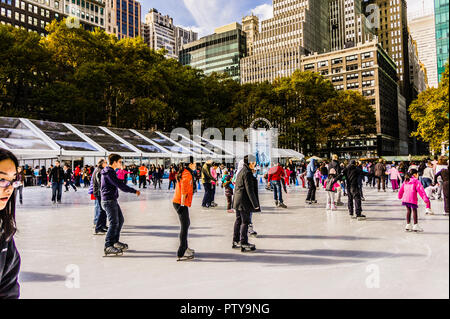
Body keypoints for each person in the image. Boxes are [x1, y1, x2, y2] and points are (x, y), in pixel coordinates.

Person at [101, 154, 140, 256]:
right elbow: (120, 185)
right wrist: (133, 191)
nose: (121, 163)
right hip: (108, 201)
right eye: (120, 162)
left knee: (120, 220)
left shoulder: (110, 171)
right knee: (114, 222)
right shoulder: (109, 172)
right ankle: (108, 245)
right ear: (114, 162)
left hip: (112, 200)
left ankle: (114, 241)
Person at [0, 149, 21, 299]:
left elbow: (8, 286)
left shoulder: (4, 232)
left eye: (13, 180)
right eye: (2, 180)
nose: (9, 188)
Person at [232, 155, 260, 252]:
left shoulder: (242, 171)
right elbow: (249, 190)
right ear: (250, 163)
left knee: (239, 220)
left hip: (238, 200)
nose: (255, 164)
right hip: (244, 201)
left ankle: (236, 240)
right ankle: (244, 242)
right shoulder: (247, 172)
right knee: (245, 221)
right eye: (254, 162)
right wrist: (255, 204)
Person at [172, 158, 197, 261]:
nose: (195, 165)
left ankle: (185, 247)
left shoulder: (186, 172)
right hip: (180, 203)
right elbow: (184, 190)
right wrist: (182, 205)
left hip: (180, 202)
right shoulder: (187, 174)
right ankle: (182, 251)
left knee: (186, 224)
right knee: (185, 226)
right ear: (190, 164)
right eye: (194, 163)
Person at [91, 159, 108, 235]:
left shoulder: (100, 170)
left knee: (104, 210)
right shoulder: (99, 171)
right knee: (102, 210)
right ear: (102, 163)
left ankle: (103, 226)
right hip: (99, 193)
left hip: (99, 192)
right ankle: (98, 228)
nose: (106, 164)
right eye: (105, 163)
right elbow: (100, 183)